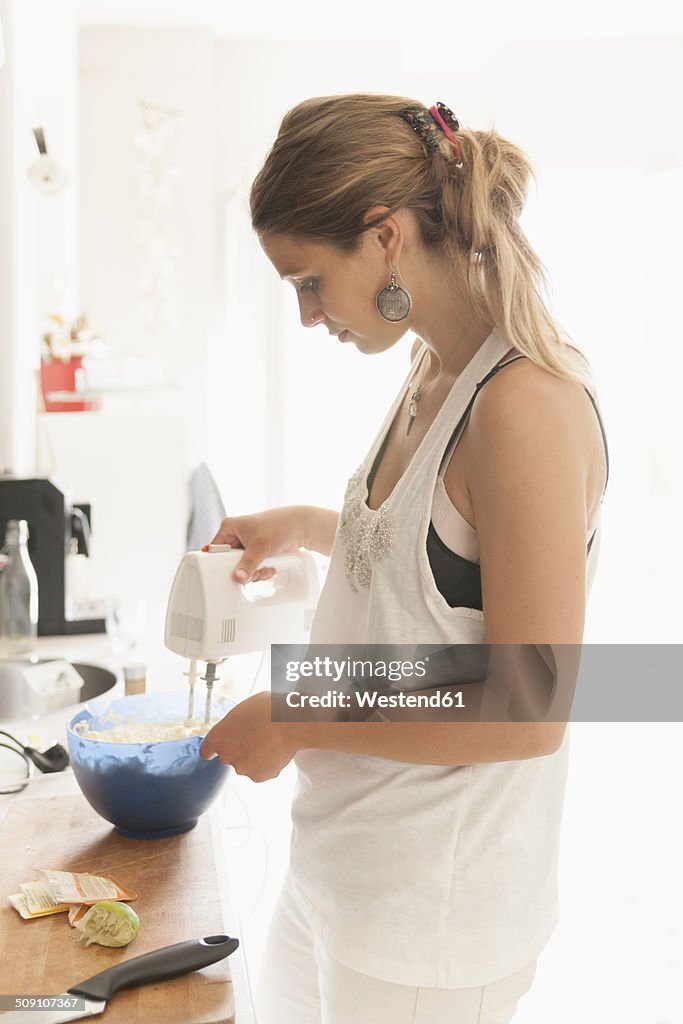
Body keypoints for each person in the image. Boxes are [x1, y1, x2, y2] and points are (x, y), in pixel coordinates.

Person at [200, 94, 609, 1024]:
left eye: (309, 281)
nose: (307, 316)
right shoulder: (432, 366)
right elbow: (437, 566)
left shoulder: (524, 406)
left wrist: (295, 712)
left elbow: (528, 704)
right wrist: (304, 524)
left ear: (384, 238)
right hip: (342, 875)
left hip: (430, 921)